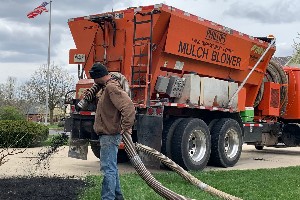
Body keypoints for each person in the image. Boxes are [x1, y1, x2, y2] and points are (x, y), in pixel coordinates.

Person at [89, 62, 135, 200]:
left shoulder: (111, 87)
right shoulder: (105, 88)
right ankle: (117, 197)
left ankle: (107, 198)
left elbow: (128, 106)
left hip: (109, 134)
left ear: (97, 77)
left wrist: (126, 127)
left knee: (107, 169)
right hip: (108, 134)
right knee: (112, 168)